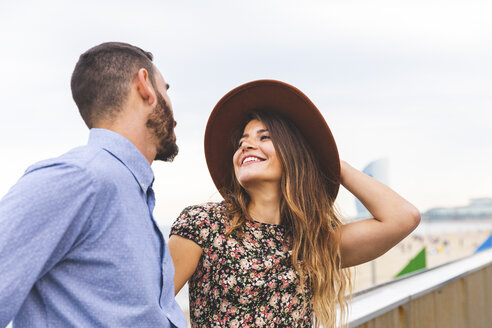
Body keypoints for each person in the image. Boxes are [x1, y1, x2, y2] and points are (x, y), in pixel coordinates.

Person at [168, 80, 421, 327]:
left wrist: (333, 164)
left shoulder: (313, 243)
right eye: (241, 141)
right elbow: (150, 309)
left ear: (293, 153)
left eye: (264, 137)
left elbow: (403, 217)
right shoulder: (204, 224)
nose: (245, 144)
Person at [0, 42, 186, 327]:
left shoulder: (131, 192)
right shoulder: (78, 179)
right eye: (167, 90)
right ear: (144, 86)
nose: (172, 107)